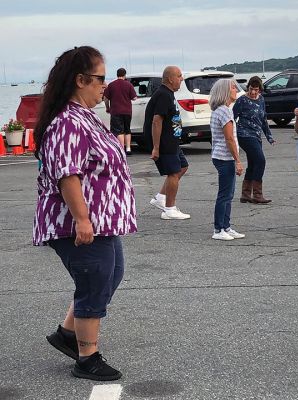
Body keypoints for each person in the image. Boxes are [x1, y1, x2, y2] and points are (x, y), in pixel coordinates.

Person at [33, 46, 137, 381]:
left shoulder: (85, 116)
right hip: (76, 222)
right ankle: (87, 357)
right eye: (99, 79)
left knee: (111, 274)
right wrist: (82, 219)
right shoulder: (67, 122)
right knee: (94, 281)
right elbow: (68, 174)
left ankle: (67, 334)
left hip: (102, 220)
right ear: (80, 80)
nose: (104, 86)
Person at [144, 65, 190, 220]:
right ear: (170, 79)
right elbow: (157, 121)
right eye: (179, 76)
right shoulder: (163, 95)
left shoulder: (169, 94)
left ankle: (160, 198)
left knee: (182, 167)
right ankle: (169, 209)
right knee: (173, 172)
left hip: (172, 140)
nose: (181, 78)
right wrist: (156, 147)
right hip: (165, 141)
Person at [209, 78, 245, 241]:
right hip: (225, 157)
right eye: (233, 87)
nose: (236, 90)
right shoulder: (225, 111)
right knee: (225, 194)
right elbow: (229, 138)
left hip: (221, 156)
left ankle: (226, 226)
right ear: (224, 91)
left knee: (228, 194)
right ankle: (218, 229)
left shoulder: (221, 110)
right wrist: (238, 160)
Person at [233, 76, 275, 204]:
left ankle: (245, 194)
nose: (253, 92)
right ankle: (257, 195)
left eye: (256, 90)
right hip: (244, 135)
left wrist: (269, 137)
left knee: (253, 164)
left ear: (260, 90)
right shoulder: (242, 100)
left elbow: (263, 119)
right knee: (260, 161)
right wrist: (233, 137)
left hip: (256, 135)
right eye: (251, 89)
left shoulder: (261, 100)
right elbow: (232, 119)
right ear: (248, 87)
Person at [104, 68, 137, 155]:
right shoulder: (129, 85)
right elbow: (134, 98)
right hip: (127, 111)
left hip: (116, 111)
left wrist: (107, 107)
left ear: (117, 74)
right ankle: (128, 148)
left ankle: (122, 148)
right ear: (124, 75)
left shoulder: (111, 85)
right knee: (127, 129)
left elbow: (106, 98)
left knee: (119, 131)